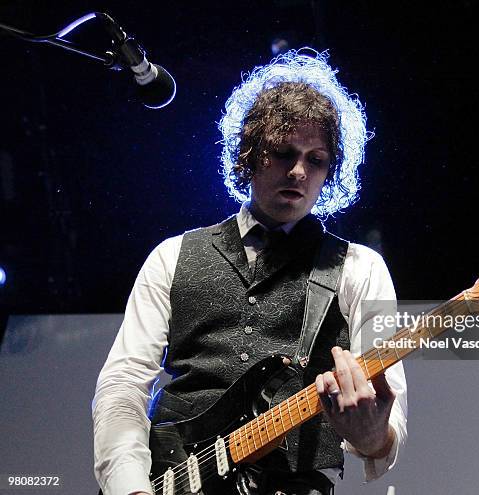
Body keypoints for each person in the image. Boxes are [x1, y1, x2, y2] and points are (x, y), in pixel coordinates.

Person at [92, 48, 407, 495]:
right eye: (282, 152)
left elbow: (386, 432)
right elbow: (123, 384)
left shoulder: (361, 268)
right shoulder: (171, 256)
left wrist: (370, 432)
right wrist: (130, 487)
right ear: (249, 152)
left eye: (316, 160)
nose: (298, 171)